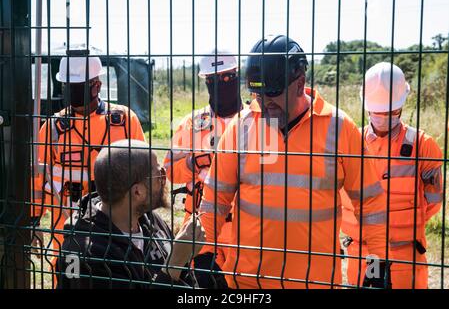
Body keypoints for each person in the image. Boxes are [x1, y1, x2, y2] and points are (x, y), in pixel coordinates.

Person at [197, 35, 390, 289]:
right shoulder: (242, 126)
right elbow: (214, 201)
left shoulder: (339, 128)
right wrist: (203, 256)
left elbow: (371, 205)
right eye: (257, 92)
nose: (264, 102)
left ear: (300, 83)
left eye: (273, 93)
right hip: (248, 285)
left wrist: (377, 267)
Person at [31, 50, 146, 268]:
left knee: (118, 276)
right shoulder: (53, 129)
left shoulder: (124, 121)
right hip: (68, 228)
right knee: (71, 279)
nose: (72, 91)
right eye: (68, 86)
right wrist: (34, 220)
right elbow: (37, 180)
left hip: (118, 227)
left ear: (97, 85)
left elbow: (145, 173)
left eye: (79, 86)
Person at [341, 62, 443, 289]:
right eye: (378, 112)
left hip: (405, 255)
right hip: (363, 253)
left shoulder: (423, 146)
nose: (383, 116)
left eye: (390, 111)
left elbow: (434, 202)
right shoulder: (350, 143)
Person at [56, 139, 205, 288]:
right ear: (137, 191)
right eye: (159, 175)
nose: (164, 180)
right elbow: (173, 271)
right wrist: (174, 264)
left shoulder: (150, 220)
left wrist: (182, 259)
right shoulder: (86, 254)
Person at [163, 51, 244, 277]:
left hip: (246, 229)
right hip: (201, 227)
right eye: (213, 80)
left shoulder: (255, 120)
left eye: (227, 78)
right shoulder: (192, 123)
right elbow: (169, 171)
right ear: (206, 82)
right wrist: (193, 162)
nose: (221, 84)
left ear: (237, 76)